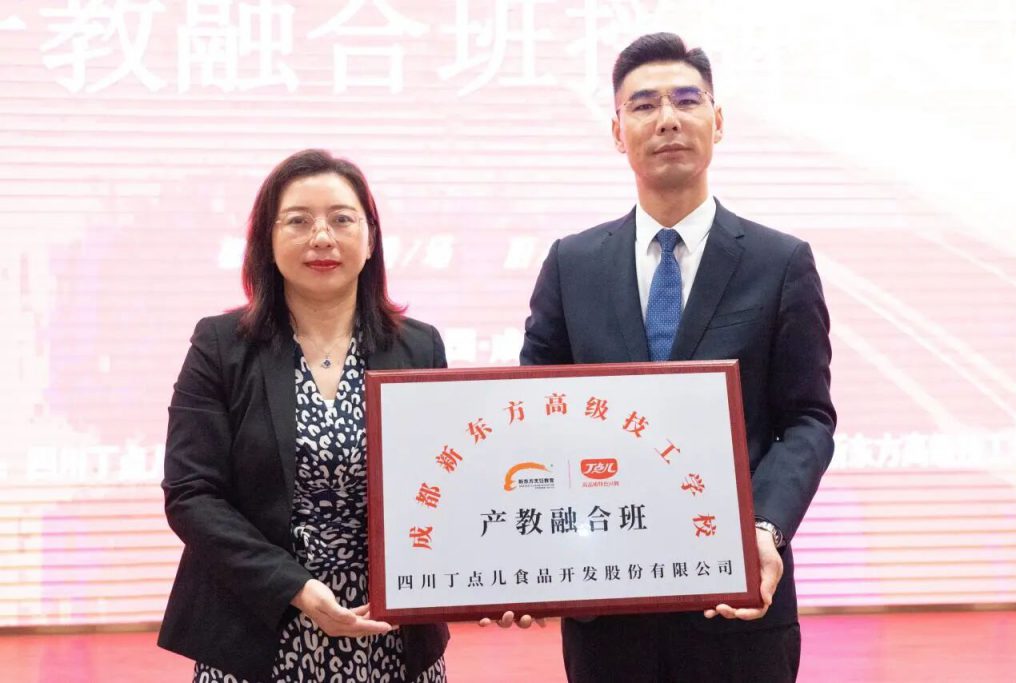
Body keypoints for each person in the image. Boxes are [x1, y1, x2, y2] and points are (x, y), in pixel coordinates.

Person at [519, 33, 836, 682]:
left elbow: (807, 418)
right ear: (617, 131)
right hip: (605, 604)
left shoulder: (780, 263)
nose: (667, 118)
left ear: (717, 121)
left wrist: (765, 529)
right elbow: (534, 414)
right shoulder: (572, 265)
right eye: (643, 105)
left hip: (739, 601)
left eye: (687, 100)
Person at [158, 149, 449, 682]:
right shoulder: (220, 346)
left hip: (390, 634)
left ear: (371, 238)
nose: (322, 237)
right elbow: (191, 494)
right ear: (266, 241)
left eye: (342, 219)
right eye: (298, 221)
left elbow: (448, 483)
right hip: (257, 630)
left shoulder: (419, 347)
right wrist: (296, 588)